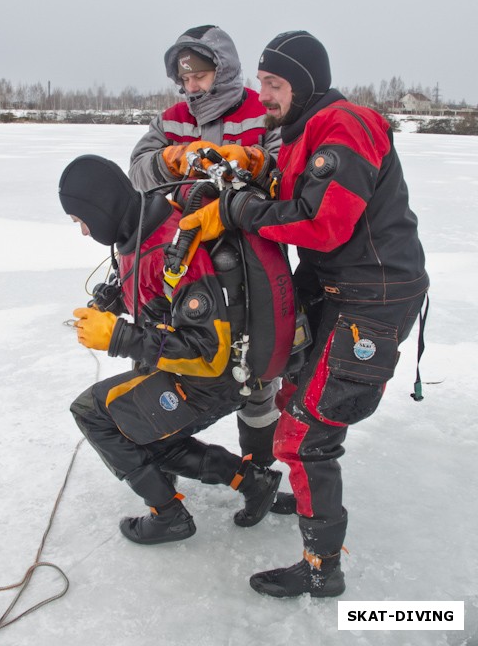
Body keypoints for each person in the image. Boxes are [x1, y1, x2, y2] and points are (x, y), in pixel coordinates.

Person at [179, 30, 429, 597]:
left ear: (305, 81)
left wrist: (241, 210)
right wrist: (240, 171)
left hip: (373, 298)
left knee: (308, 433)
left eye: (275, 83)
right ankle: (300, 496)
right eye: (261, 82)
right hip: (334, 288)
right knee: (296, 399)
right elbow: (281, 180)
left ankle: (323, 572)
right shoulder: (299, 132)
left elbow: (324, 222)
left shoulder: (345, 125)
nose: (263, 94)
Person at [58, 154, 282, 545]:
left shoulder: (173, 249)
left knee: (94, 415)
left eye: (81, 221)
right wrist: (112, 303)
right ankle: (252, 482)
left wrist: (118, 338)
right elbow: (151, 294)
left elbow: (208, 353)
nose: (82, 232)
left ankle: (169, 516)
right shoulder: (141, 226)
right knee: (140, 435)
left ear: (101, 208)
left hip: (212, 381)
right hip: (187, 374)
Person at [129, 24, 283, 470]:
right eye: (185, 79)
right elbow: (138, 171)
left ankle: (258, 471)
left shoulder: (261, 111)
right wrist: (170, 159)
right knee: (160, 351)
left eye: (199, 76)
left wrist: (254, 163)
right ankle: (155, 455)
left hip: (250, 261)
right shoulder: (173, 117)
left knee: (255, 365)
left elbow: (285, 173)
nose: (190, 86)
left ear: (224, 68)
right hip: (181, 262)